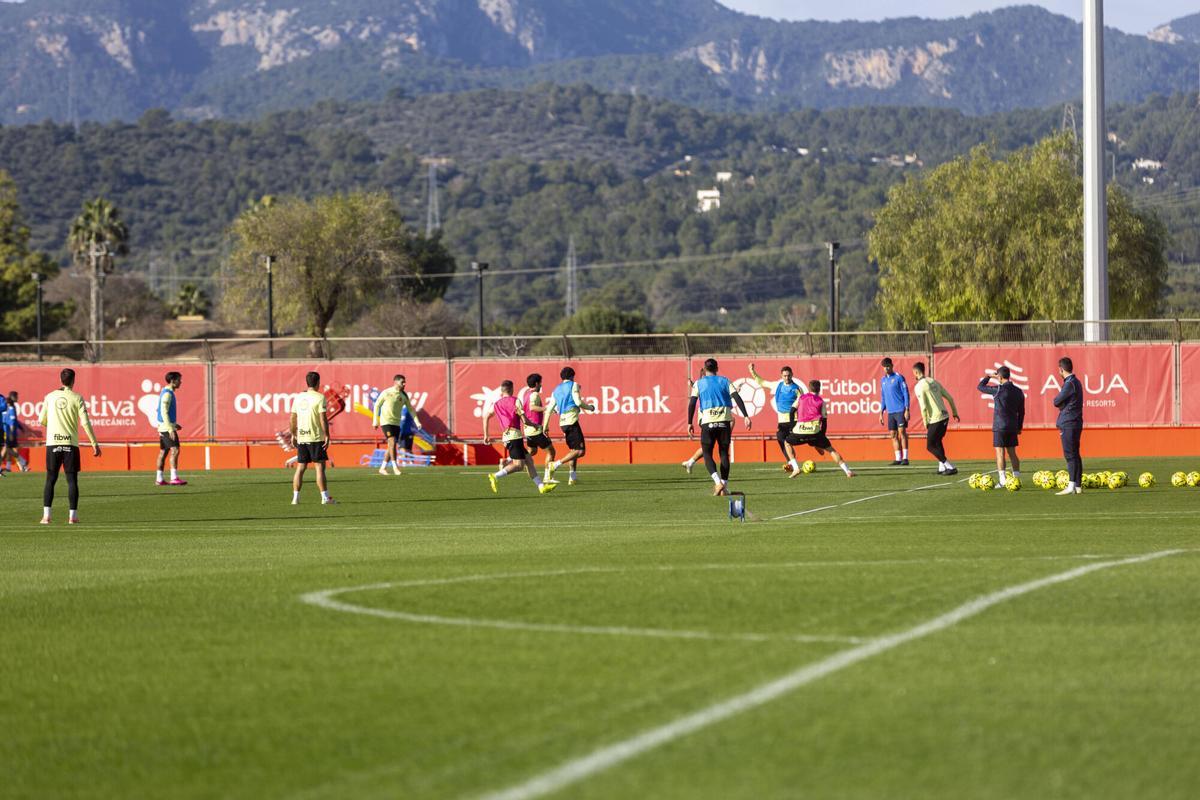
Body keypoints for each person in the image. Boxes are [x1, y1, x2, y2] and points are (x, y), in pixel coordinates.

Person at [37, 368, 100, 524]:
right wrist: (94, 443)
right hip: (70, 445)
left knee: (50, 479)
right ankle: (73, 517)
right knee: (72, 480)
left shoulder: (49, 397)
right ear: (73, 381)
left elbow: (41, 420)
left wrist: (53, 425)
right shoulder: (77, 398)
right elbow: (85, 422)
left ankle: (46, 516)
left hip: (52, 444)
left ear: (60, 380)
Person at [687, 358, 752, 496]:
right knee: (723, 454)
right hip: (724, 422)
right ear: (717, 368)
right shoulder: (725, 381)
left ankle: (718, 483)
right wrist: (746, 416)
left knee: (707, 454)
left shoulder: (698, 383)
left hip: (707, 422)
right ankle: (725, 487)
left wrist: (689, 422)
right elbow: (737, 397)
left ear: (704, 369)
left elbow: (692, 403)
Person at [483, 380, 557, 495]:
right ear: (512, 389)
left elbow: (486, 416)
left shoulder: (496, 404)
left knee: (529, 461)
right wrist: (536, 425)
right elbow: (525, 420)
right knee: (519, 465)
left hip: (507, 436)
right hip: (514, 436)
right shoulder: (515, 401)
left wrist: (486, 435)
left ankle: (541, 487)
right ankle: (495, 476)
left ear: (502, 391)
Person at [784, 379, 855, 478]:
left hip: (800, 430)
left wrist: (792, 427)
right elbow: (824, 421)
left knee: (787, 443)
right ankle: (847, 471)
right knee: (831, 450)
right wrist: (822, 435)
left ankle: (796, 468)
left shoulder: (801, 398)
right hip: (814, 431)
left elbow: (791, 411)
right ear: (819, 389)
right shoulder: (821, 401)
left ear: (809, 388)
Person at [291, 371, 336, 505]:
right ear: (318, 382)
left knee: (300, 468)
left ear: (307, 382)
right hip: (316, 437)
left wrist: (294, 434)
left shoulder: (298, 397)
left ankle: (295, 498)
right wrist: (327, 435)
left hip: (302, 436)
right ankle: (325, 498)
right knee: (319, 468)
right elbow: (323, 418)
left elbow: (292, 417)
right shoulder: (320, 397)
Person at [546, 367, 595, 486]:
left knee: (573, 450)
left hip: (562, 423)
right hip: (572, 421)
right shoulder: (574, 384)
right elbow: (578, 402)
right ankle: (555, 464)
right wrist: (590, 407)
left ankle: (572, 477)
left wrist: (545, 426)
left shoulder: (556, 390)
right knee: (580, 451)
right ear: (572, 376)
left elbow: (549, 409)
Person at [748, 362, 802, 471]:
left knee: (796, 440)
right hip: (782, 421)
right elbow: (761, 382)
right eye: (784, 376)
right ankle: (792, 464)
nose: (786, 377)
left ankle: (816, 445)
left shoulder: (797, 389)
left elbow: (802, 403)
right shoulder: (777, 385)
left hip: (794, 419)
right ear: (781, 376)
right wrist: (752, 371)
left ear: (792, 375)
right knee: (781, 439)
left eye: (788, 375)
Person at [977, 366, 1025, 487]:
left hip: (1000, 426)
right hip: (1012, 426)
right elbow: (1022, 411)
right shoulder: (1018, 391)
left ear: (999, 376)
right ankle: (1017, 478)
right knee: (1012, 453)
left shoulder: (998, 389)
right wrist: (1019, 427)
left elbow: (980, 387)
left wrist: (988, 376)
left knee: (1000, 453)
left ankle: (1002, 480)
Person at [912, 362, 960, 476]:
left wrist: (925, 422)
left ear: (916, 372)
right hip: (945, 416)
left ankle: (949, 466)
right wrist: (954, 412)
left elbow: (923, 407)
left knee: (930, 446)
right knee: (937, 441)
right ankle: (942, 467)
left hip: (935, 418)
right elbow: (950, 398)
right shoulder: (934, 381)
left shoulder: (919, 386)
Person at [372, 374, 417, 476]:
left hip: (396, 422)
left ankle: (382, 468)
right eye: (402, 382)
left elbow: (410, 409)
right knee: (392, 441)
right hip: (386, 421)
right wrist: (375, 421)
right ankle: (395, 467)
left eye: (405, 382)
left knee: (391, 445)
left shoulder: (403, 395)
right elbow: (377, 405)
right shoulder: (386, 392)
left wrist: (417, 422)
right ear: (396, 382)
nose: (404, 384)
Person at [1052, 356, 1084, 495]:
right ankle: (1077, 485)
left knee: (1070, 455)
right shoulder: (1075, 382)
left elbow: (1057, 400)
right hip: (1075, 421)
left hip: (1069, 422)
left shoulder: (1070, 383)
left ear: (1061, 369)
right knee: (1075, 454)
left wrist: (1061, 405)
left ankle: (1071, 486)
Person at [519, 373, 559, 482]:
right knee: (551, 451)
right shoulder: (534, 395)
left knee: (532, 451)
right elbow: (532, 407)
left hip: (528, 430)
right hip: (535, 429)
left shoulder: (526, 394)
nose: (541, 385)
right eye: (540, 382)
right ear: (536, 383)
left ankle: (508, 460)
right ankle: (547, 477)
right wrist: (547, 408)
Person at [155, 372, 187, 486]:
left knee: (164, 452)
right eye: (179, 380)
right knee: (175, 450)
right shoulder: (167, 394)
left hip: (164, 426)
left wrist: (174, 424)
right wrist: (170, 428)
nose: (180, 382)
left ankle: (159, 479)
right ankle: (174, 477)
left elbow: (159, 410)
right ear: (173, 381)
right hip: (166, 428)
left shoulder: (165, 392)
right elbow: (163, 411)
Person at [878, 357, 911, 465]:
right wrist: (881, 413)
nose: (886, 368)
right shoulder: (883, 380)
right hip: (890, 412)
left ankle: (905, 458)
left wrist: (907, 409)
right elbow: (883, 397)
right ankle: (898, 458)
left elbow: (906, 393)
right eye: (884, 367)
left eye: (888, 366)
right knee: (893, 434)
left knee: (902, 432)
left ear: (892, 366)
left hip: (900, 410)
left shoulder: (899, 378)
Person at [1, 390, 28, 474]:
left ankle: (10, 466)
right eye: (16, 396)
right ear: (13, 397)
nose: (18, 398)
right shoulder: (11, 408)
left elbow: (13, 420)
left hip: (7, 431)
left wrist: (20, 427)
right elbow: (12, 421)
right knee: (8, 448)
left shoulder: (8, 407)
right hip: (8, 432)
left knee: (8, 448)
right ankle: (22, 462)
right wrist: (12, 432)